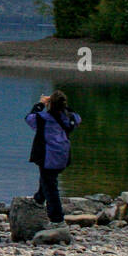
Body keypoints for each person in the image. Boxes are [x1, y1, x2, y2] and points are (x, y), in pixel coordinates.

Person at [25, 90, 81, 224]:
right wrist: (63, 106)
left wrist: (41, 103)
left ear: (50, 104)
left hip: (47, 156)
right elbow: (77, 117)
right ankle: (38, 199)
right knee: (47, 179)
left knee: (51, 187)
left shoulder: (43, 119)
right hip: (63, 156)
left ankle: (57, 220)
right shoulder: (70, 118)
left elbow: (29, 118)